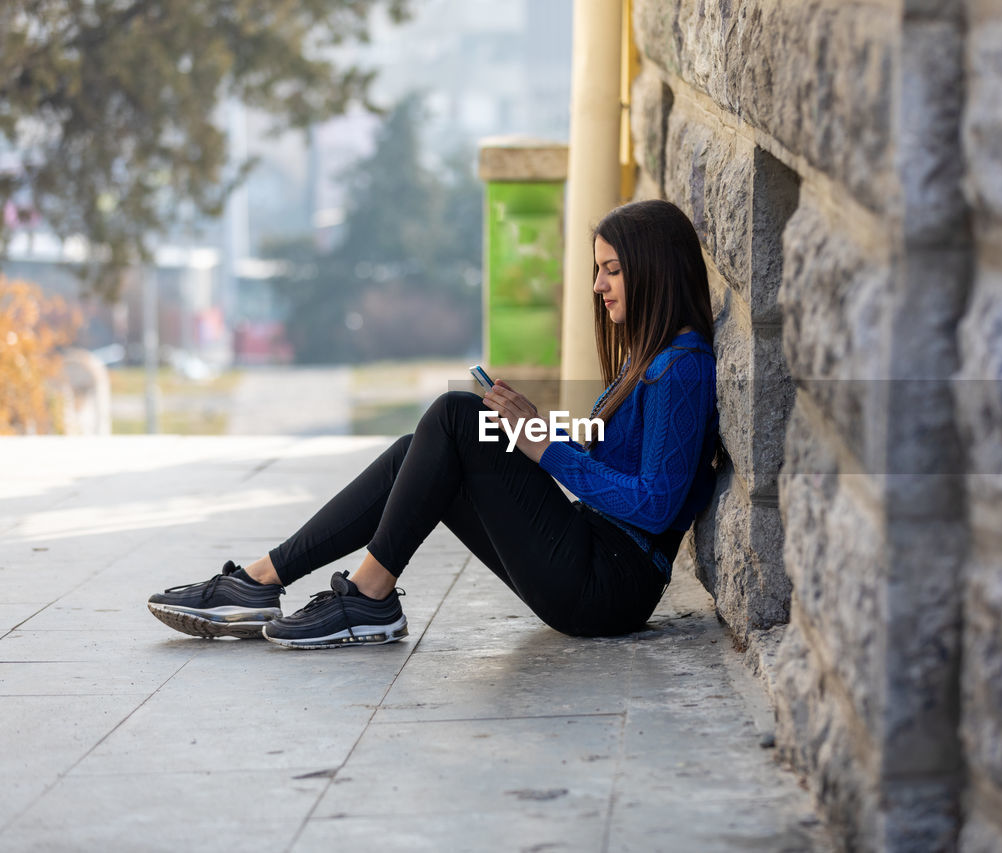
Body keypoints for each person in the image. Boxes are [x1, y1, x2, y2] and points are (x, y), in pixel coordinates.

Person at [147, 199, 720, 648]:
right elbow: (616, 461)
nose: (598, 286)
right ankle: (262, 580)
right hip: (592, 559)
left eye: (612, 271)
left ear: (653, 270)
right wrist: (537, 428)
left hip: (610, 585)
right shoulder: (649, 359)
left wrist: (547, 451)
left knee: (454, 416)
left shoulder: (683, 368)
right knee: (415, 451)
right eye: (598, 270)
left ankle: (369, 596)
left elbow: (656, 504)